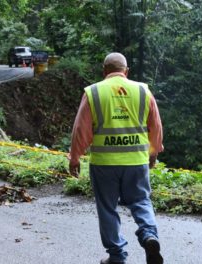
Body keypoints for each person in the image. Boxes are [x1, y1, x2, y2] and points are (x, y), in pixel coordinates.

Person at [68, 52, 164, 264]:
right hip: (136, 161)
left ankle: (117, 256)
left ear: (104, 71)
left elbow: (80, 130)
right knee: (141, 200)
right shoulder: (142, 91)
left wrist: (75, 158)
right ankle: (149, 235)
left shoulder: (93, 92)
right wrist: (154, 151)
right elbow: (155, 126)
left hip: (104, 164)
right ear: (126, 71)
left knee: (107, 208)